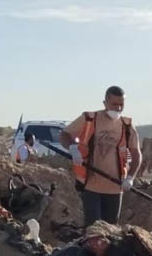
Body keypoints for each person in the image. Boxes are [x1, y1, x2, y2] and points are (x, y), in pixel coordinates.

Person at [59, 86, 142, 226]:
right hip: (91, 186)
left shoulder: (127, 126)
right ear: (105, 103)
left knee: (110, 231)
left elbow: (136, 154)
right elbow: (64, 135)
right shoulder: (90, 119)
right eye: (114, 104)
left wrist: (130, 177)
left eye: (121, 104)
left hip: (115, 188)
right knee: (93, 229)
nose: (118, 108)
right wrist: (72, 148)